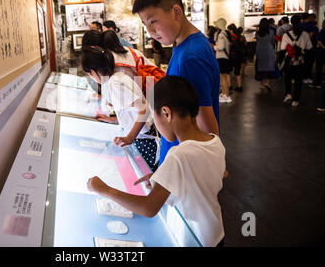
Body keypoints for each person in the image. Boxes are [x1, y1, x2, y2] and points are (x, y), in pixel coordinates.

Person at [87, 76, 227, 247]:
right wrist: (162, 176)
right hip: (215, 233)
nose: (156, 125)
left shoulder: (178, 155)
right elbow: (204, 175)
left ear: (166, 113)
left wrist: (104, 189)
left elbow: (149, 207)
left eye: (154, 116)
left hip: (194, 238)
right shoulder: (215, 141)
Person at [131, 0, 220, 167]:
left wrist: (212, 167)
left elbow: (207, 126)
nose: (150, 32)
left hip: (185, 168)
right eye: (145, 24)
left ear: (176, 12)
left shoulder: (190, 57)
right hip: (177, 166)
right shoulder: (187, 45)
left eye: (153, 21)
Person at [82, 46, 159, 170]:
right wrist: (110, 119)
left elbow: (143, 109)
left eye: (90, 75)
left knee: (149, 176)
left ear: (92, 72)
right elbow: (130, 112)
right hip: (143, 135)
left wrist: (129, 137)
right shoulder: (118, 76)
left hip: (144, 139)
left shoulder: (115, 83)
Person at [280, 14, 313, 107]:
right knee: (298, 81)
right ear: (300, 22)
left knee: (287, 78)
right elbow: (309, 47)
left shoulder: (286, 35)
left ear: (291, 23)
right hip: (300, 60)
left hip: (289, 60)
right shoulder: (305, 34)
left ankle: (288, 94)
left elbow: (282, 48)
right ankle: (296, 100)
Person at [214, 18, 233, 103]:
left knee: (223, 77)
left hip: (222, 58)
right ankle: (224, 93)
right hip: (224, 58)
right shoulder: (226, 33)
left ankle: (227, 96)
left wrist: (213, 47)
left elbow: (220, 47)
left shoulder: (221, 34)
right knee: (222, 77)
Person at [255, 18, 276, 92]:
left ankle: (261, 84)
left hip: (260, 50)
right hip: (269, 50)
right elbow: (273, 41)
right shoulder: (271, 32)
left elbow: (257, 41)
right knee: (269, 67)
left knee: (260, 67)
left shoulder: (257, 33)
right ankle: (267, 82)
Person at [302, 13, 319, 85]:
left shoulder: (301, 24)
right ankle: (307, 77)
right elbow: (311, 35)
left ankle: (304, 77)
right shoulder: (311, 25)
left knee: (305, 62)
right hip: (311, 47)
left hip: (303, 46)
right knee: (309, 63)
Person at [311, 19, 325, 89]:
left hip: (321, 53)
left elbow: (319, 42)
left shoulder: (322, 31)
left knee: (319, 68)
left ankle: (317, 83)